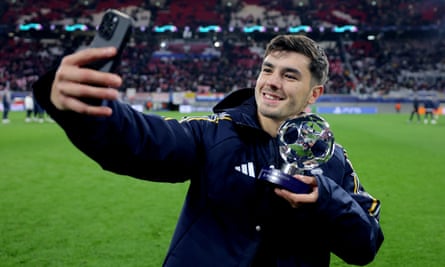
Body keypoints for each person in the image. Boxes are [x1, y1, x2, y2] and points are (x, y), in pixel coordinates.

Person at [33, 34, 383, 266]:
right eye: (267, 69)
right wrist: (82, 106)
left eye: (290, 76)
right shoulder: (215, 134)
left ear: (314, 94)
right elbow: (140, 142)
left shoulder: (332, 162)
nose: (272, 82)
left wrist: (325, 199)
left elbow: (366, 242)